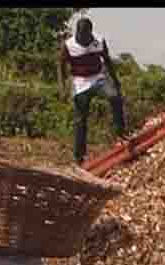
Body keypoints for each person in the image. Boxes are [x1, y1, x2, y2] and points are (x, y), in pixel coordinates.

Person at [60, 17, 126, 165]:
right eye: (81, 37)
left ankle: (120, 135)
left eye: (87, 37)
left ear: (91, 33)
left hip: (98, 79)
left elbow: (107, 61)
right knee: (80, 120)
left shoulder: (99, 41)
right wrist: (63, 86)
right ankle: (79, 156)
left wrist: (116, 81)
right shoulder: (69, 45)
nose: (85, 40)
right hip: (80, 83)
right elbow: (61, 65)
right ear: (77, 33)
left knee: (115, 97)